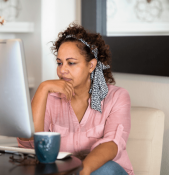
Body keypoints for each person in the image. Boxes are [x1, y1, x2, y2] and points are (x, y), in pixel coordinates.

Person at [17, 23, 134, 175]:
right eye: (59, 63)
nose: (62, 70)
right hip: (61, 172)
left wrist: (81, 171)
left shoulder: (117, 97)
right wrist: (42, 88)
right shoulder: (48, 98)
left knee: (105, 170)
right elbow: (29, 143)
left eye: (71, 63)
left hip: (102, 171)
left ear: (91, 65)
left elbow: (112, 144)